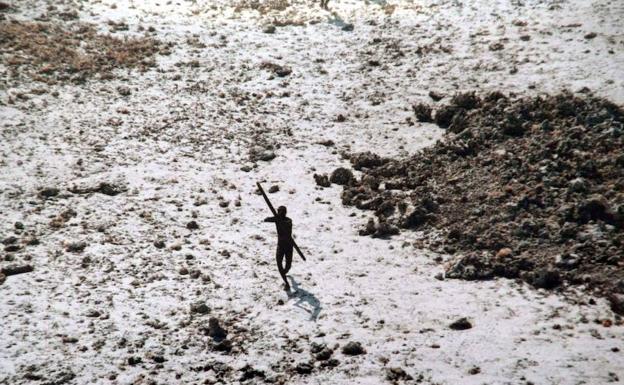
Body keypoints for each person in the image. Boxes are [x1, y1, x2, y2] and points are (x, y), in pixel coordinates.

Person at [264, 206, 294, 291]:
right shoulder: (277, 219)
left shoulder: (288, 221)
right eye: (278, 212)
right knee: (279, 263)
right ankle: (286, 283)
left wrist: (277, 219)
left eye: (280, 212)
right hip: (280, 246)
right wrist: (275, 218)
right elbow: (266, 219)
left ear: (284, 213)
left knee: (288, 266)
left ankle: (284, 273)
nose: (278, 213)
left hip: (288, 246)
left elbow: (286, 225)